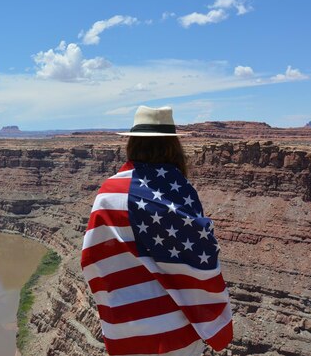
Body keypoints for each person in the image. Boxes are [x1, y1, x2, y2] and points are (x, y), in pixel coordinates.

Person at [81, 106, 233, 356]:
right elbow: (199, 255)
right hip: (176, 330)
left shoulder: (109, 191)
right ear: (173, 146)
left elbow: (91, 258)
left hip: (125, 325)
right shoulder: (181, 190)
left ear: (132, 143)